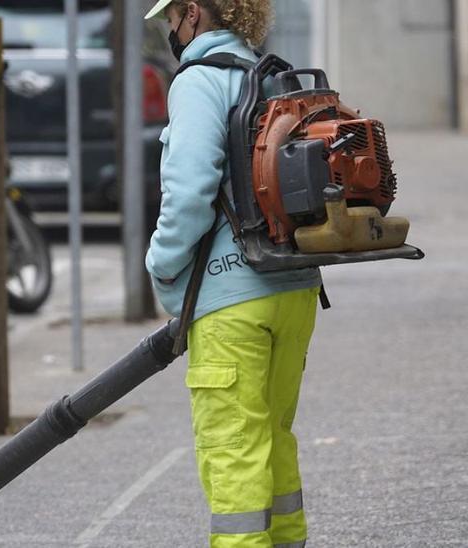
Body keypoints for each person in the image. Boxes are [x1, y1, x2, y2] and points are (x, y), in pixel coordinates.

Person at [144, 1, 322, 546]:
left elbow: (190, 192)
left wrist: (160, 264)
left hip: (231, 300)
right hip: (294, 287)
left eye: (171, 18)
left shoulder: (200, 81)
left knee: (234, 452)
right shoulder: (270, 74)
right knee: (274, 437)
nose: (171, 30)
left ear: (193, 13)